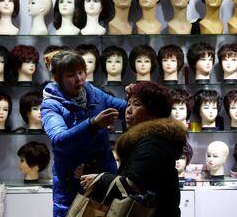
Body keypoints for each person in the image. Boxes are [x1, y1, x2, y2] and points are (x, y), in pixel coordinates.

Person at [80, 82, 187, 217]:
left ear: (154, 113)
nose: (128, 110)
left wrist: (100, 179)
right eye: (128, 104)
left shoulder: (153, 143)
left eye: (137, 105)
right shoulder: (148, 140)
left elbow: (133, 185)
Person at [41, 51, 127, 217]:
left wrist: (138, 96)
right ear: (57, 79)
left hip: (105, 179)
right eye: (71, 75)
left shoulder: (94, 94)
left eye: (81, 72)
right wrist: (93, 123)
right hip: (72, 186)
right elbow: (59, 141)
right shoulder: (51, 105)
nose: (79, 79)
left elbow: (124, 109)